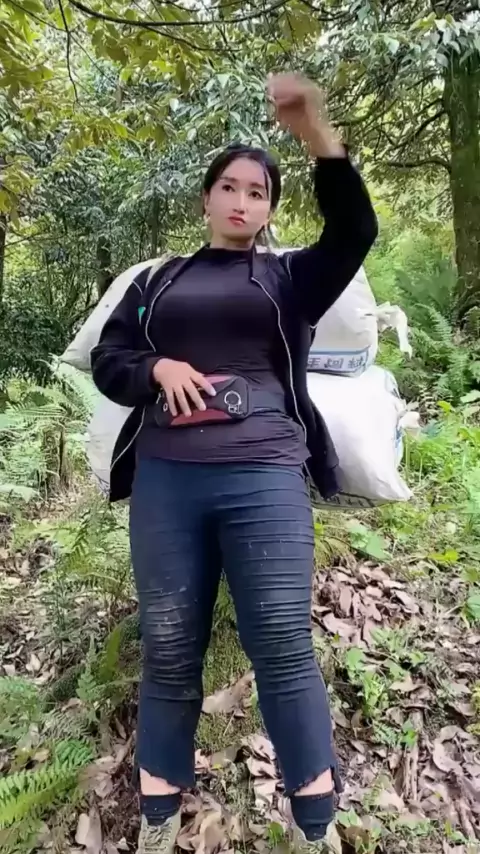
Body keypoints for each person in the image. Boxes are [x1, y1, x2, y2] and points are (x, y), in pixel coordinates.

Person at [91, 73, 378, 854]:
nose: (243, 201)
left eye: (258, 192)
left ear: (270, 209)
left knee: (281, 643)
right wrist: (155, 367)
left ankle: (314, 828)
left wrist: (317, 133)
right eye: (230, 187)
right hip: (168, 478)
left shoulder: (290, 278)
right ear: (207, 199)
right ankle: (158, 822)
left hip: (265, 473)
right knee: (168, 646)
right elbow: (111, 359)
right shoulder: (157, 282)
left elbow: (355, 228)